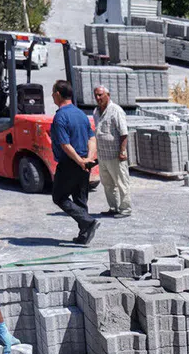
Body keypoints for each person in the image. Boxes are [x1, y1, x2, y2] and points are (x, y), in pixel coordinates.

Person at [50, 80, 100, 245]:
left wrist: (79, 161)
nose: (51, 96)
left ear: (58, 94)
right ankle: (84, 234)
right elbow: (92, 138)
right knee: (80, 199)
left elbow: (65, 145)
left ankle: (88, 222)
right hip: (84, 162)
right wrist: (88, 159)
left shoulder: (60, 117)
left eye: (52, 92)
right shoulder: (81, 114)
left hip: (70, 163)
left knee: (59, 197)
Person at [93, 85, 132, 218]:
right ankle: (113, 207)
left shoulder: (116, 110)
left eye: (100, 95)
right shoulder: (96, 111)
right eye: (96, 95)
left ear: (108, 95)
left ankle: (125, 209)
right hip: (103, 155)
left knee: (121, 182)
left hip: (115, 155)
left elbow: (124, 133)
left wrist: (122, 152)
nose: (98, 98)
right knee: (108, 184)